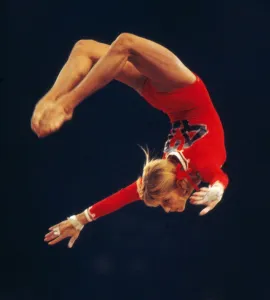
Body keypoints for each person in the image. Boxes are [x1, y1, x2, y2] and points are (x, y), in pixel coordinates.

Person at [32, 33, 229, 249]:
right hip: (184, 88)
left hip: (163, 99)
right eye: (165, 202)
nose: (165, 208)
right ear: (178, 187)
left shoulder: (166, 175)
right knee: (125, 43)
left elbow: (119, 198)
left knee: (84, 48)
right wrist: (217, 190)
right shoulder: (203, 165)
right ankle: (66, 104)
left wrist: (79, 220)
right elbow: (219, 177)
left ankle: (50, 101)